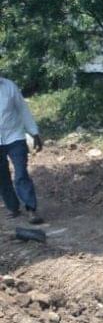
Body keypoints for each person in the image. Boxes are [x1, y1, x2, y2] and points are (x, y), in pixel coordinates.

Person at [0, 77, 44, 224]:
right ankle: (13, 207)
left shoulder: (9, 86)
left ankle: (31, 209)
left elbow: (23, 110)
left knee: (21, 173)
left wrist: (34, 133)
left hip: (15, 137)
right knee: (2, 176)